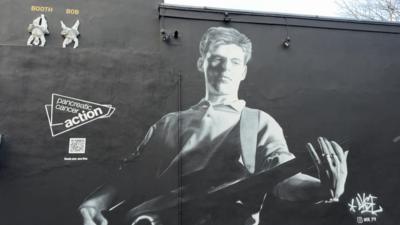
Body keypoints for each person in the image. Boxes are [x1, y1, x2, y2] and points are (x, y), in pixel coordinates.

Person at [79, 27, 349, 225]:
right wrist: (95, 202)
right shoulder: (168, 122)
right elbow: (132, 176)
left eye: (234, 62)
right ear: (202, 63)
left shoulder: (258, 123)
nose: (225, 68)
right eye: (217, 59)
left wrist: (322, 189)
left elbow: (283, 180)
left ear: (243, 71)